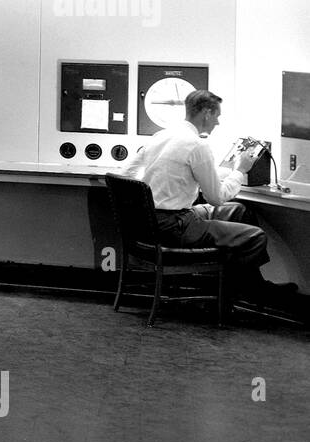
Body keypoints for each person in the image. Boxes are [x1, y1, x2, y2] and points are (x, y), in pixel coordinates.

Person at [123, 88, 297, 310]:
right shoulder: (197, 145)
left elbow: (126, 175)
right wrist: (240, 170)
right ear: (206, 113)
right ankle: (241, 293)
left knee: (240, 211)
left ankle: (254, 286)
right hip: (174, 227)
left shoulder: (161, 136)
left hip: (148, 224)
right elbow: (216, 198)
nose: (217, 122)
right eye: (216, 116)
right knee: (254, 236)